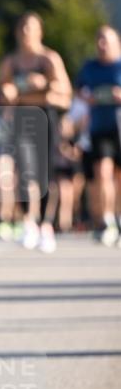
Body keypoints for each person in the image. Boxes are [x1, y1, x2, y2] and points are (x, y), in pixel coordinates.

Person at [0, 12, 72, 252]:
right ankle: (29, 221)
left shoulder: (49, 59)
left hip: (45, 118)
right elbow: (2, 94)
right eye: (22, 28)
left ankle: (46, 224)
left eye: (30, 28)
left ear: (40, 31)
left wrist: (44, 85)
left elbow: (65, 93)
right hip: (22, 119)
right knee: (25, 172)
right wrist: (8, 93)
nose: (26, 32)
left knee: (46, 175)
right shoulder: (11, 62)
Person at [75, 24, 121, 246]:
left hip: (120, 126)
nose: (102, 45)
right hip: (100, 128)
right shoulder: (89, 67)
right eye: (99, 40)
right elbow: (78, 91)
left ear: (117, 43)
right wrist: (88, 98)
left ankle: (118, 218)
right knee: (103, 172)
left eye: (106, 40)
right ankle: (107, 220)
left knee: (118, 178)